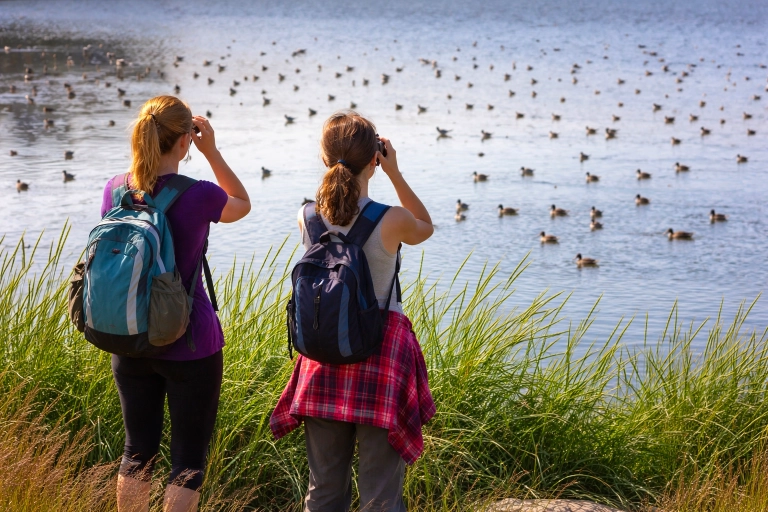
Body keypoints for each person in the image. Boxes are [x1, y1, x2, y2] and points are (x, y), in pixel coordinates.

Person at [270, 111, 436, 512]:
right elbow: (425, 225)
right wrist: (394, 173)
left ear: (324, 159)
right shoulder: (391, 220)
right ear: (373, 159)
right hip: (379, 358)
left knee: (324, 488)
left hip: (323, 357)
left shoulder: (307, 216)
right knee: (381, 493)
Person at [103, 95, 250, 512]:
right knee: (187, 463)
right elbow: (241, 202)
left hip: (129, 338)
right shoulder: (200, 195)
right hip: (190, 343)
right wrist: (213, 151)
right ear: (186, 141)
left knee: (137, 452)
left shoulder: (115, 188)